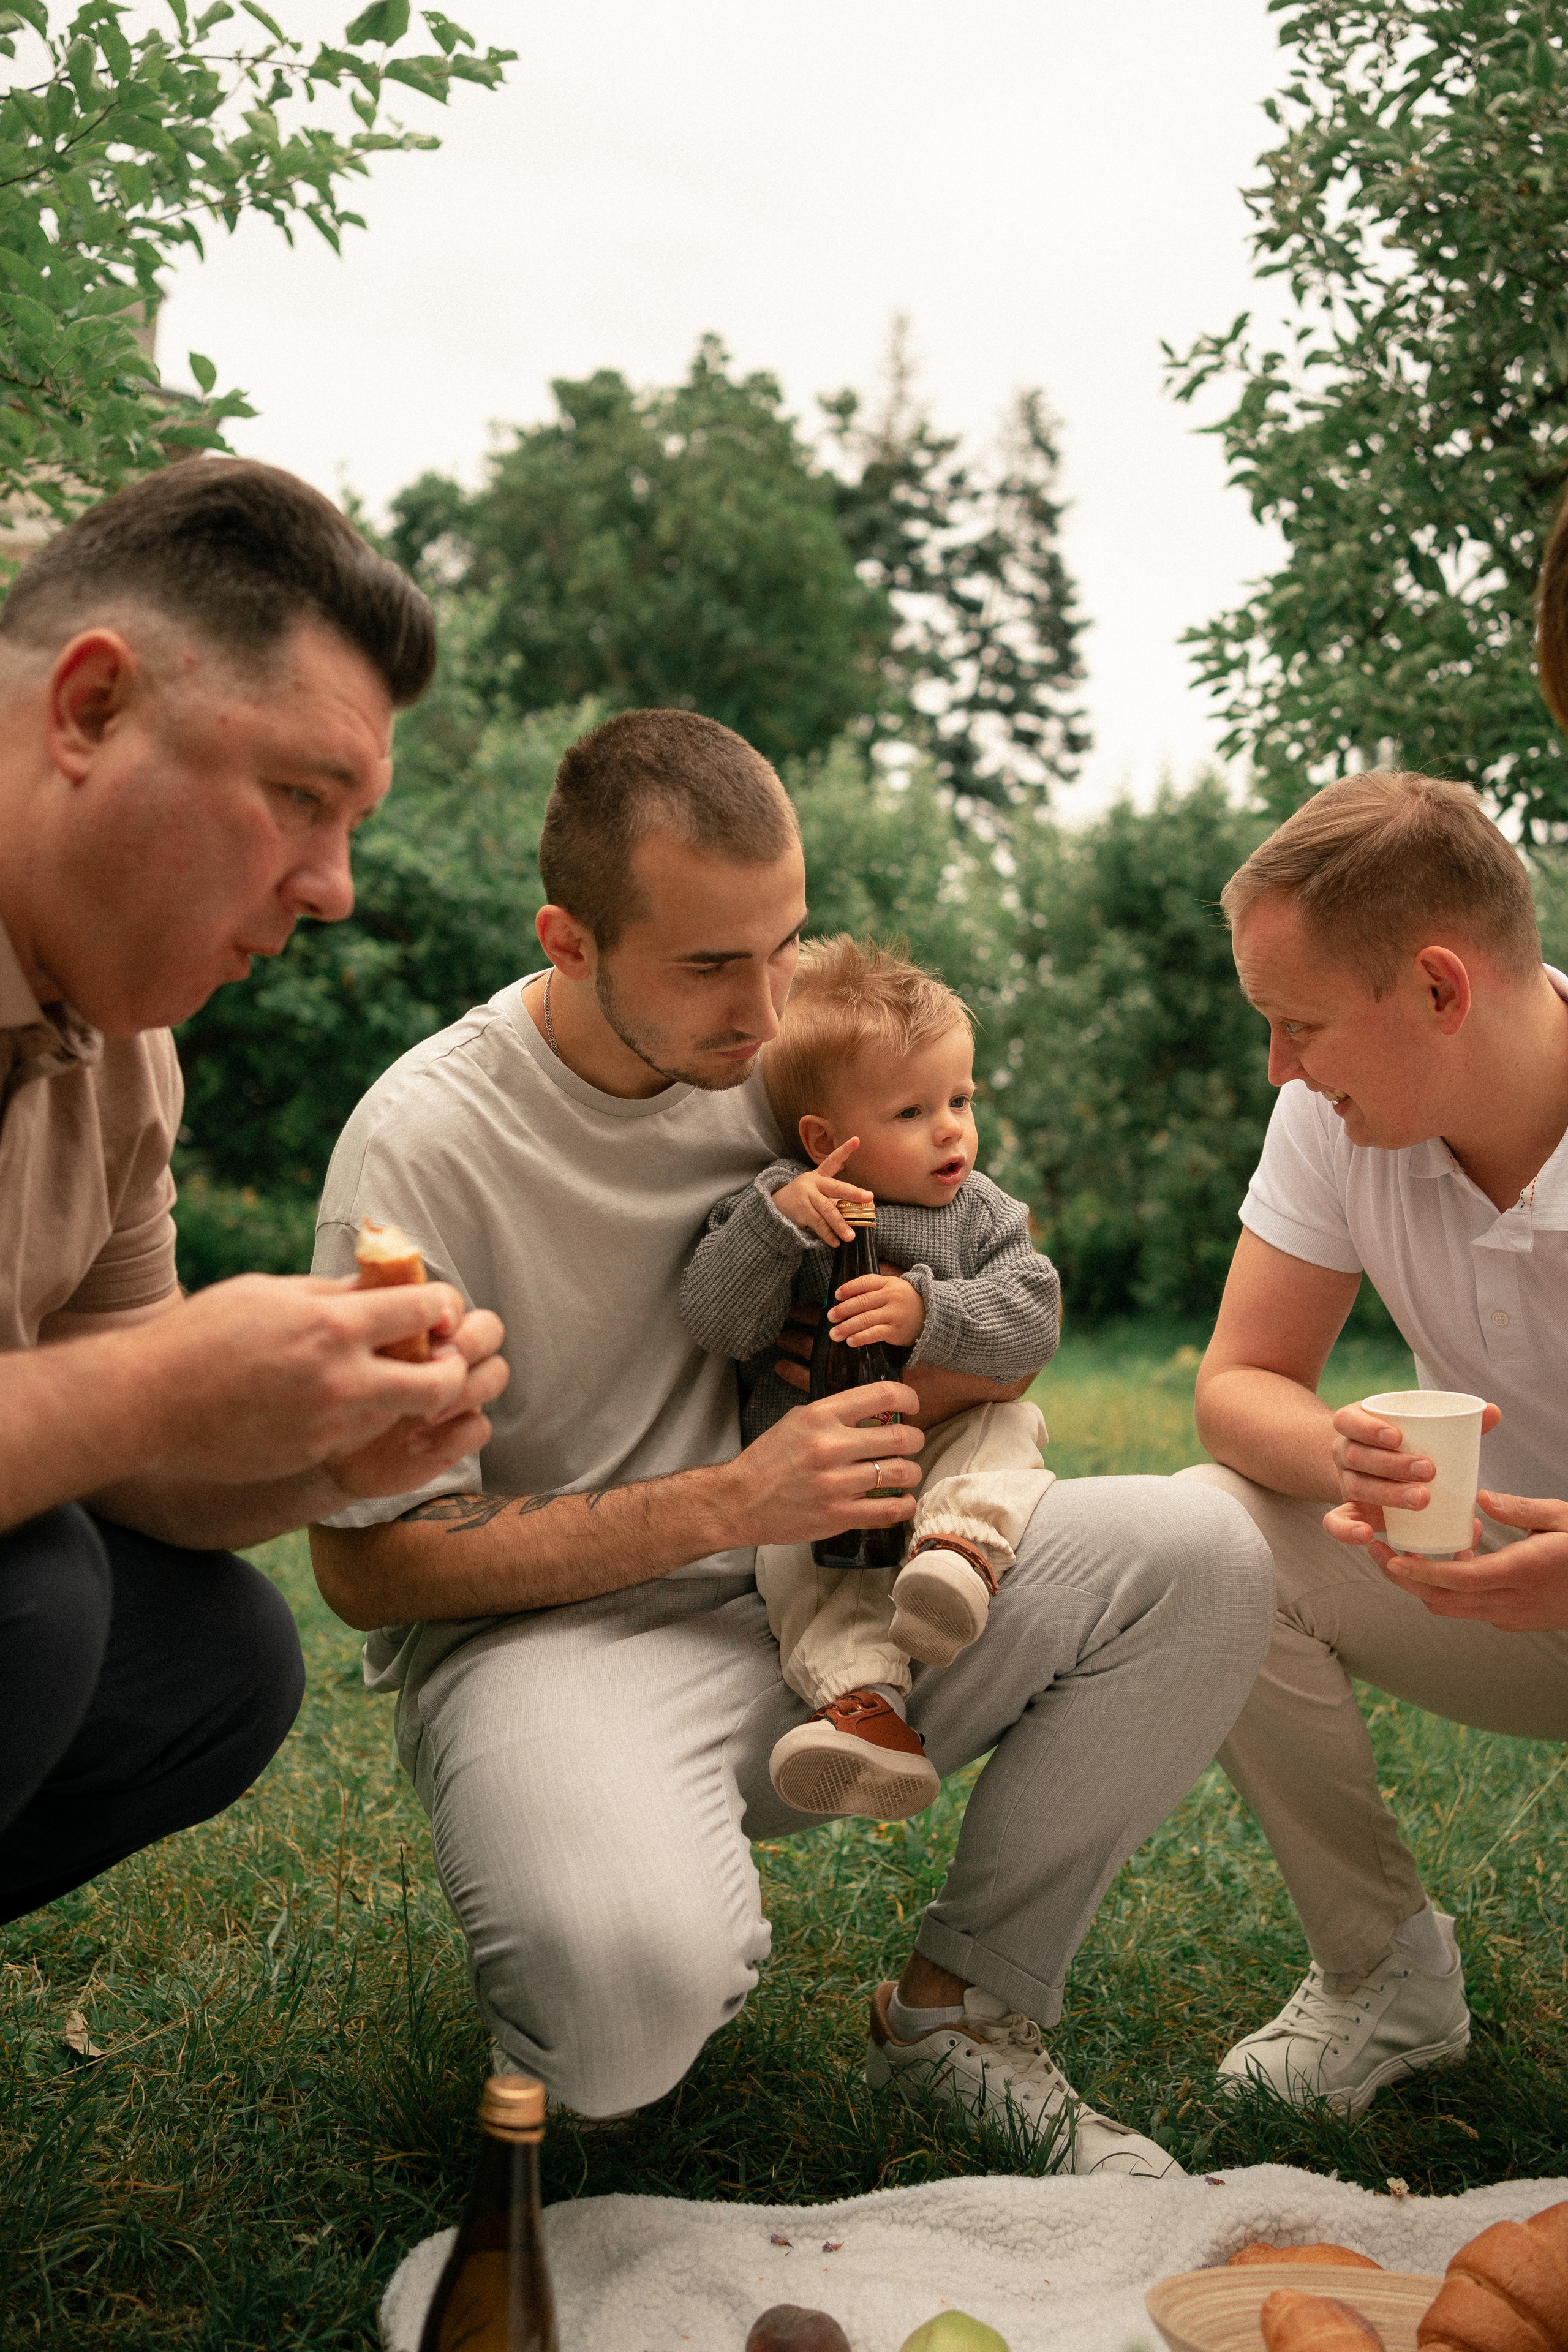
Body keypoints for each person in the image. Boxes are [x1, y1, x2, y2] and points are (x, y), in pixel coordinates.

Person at [308, 704, 1274, 2178]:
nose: (762, 1013)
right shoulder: (424, 1147)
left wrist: (916, 1363)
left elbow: (991, 1302)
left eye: (782, 947)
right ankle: (600, 1921)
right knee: (615, 2034)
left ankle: (959, 2015)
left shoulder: (784, 1070)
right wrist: (730, 1498)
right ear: (567, 942)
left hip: (844, 1587)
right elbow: (367, 1569)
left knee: (1204, 1547)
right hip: (552, 1645)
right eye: (708, 965)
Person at [0, 459, 507, 1927]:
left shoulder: (121, 1053)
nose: (334, 887)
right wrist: (164, 1381)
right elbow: (123, 1401)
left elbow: (124, 1449)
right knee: (33, 1594)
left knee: (211, 1660)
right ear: (92, 708)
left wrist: (329, 1454)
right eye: (298, 798)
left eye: (349, 824)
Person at [1183, 766, 1568, 2116]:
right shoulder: (1329, 1121)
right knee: (1207, 1532)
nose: (1279, 1069)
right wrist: (1344, 1458)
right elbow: (1239, 1383)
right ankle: (1383, 1974)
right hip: (1492, 1591)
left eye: (1297, 1026)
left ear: (1438, 988)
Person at [680, 934, 1058, 1820]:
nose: (951, 1129)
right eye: (912, 1111)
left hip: (944, 1437)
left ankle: (957, 1554)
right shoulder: (791, 1207)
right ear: (825, 1140)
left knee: (1006, 1430)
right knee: (812, 1577)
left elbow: (1035, 1315)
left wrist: (931, 1313)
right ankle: (865, 1714)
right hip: (824, 1473)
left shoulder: (981, 1213)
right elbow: (715, 1323)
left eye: (960, 1099)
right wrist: (776, 1223)